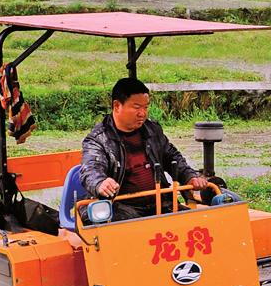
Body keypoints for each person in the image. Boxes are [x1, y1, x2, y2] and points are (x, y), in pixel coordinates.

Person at [80, 77, 208, 220]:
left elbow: (172, 157)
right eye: (136, 107)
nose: (142, 113)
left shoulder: (153, 130)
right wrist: (100, 182)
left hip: (161, 203)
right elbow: (90, 170)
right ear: (117, 106)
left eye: (145, 107)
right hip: (121, 207)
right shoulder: (98, 139)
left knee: (194, 222)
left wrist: (190, 176)